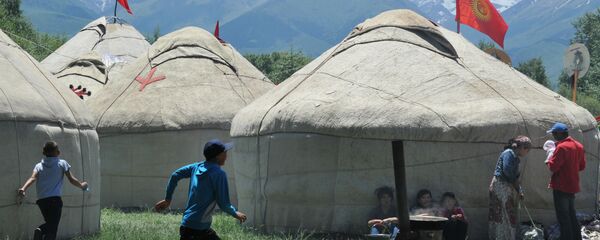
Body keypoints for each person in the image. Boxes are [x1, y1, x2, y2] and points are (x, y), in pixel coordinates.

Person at [154, 139, 247, 240]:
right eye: (225, 153)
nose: (226, 156)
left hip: (189, 225)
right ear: (218, 155)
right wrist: (235, 213)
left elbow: (175, 175)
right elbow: (223, 203)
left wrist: (168, 200)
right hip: (198, 229)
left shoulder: (196, 167)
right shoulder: (219, 174)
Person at [17, 141, 89, 240]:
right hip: (55, 200)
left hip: (42, 201)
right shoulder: (62, 163)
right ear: (57, 152)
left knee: (51, 226)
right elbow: (71, 179)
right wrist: (81, 185)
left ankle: (42, 231)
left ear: (44, 153)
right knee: (52, 226)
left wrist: (23, 188)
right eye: (58, 149)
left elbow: (33, 178)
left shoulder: (38, 166)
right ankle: (40, 230)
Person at [545, 122, 585, 240]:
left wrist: (548, 158)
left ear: (559, 133)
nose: (553, 136)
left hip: (561, 186)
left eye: (553, 133)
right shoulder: (579, 146)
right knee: (571, 215)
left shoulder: (561, 147)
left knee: (563, 217)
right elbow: (582, 167)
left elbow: (553, 167)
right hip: (573, 186)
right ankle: (577, 238)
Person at [488, 136, 531, 240]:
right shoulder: (508, 153)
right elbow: (507, 172)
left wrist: (519, 191)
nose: (527, 153)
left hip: (506, 187)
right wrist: (515, 185)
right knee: (502, 214)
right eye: (527, 150)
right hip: (500, 186)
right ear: (522, 148)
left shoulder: (515, 158)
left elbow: (514, 177)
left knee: (507, 214)